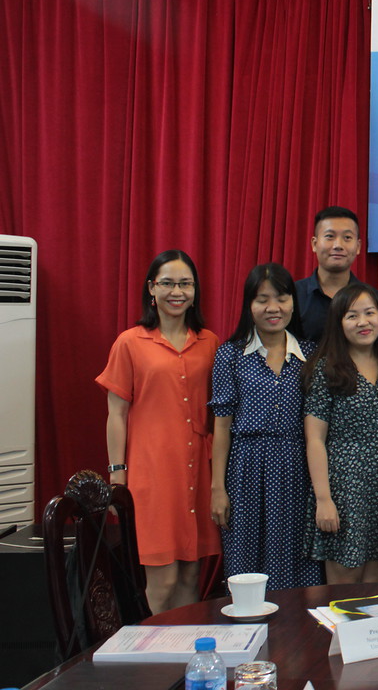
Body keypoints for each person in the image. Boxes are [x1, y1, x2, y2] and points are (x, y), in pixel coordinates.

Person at [96, 249, 219, 613]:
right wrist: (117, 473)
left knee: (191, 575)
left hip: (199, 473)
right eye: (167, 283)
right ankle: (152, 647)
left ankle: (185, 646)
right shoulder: (130, 342)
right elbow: (116, 414)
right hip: (152, 475)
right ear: (151, 288)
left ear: (195, 291)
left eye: (185, 284)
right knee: (162, 580)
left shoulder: (210, 342)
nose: (176, 292)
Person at [209, 263, 322, 591]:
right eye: (262, 299)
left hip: (296, 467)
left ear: (293, 303)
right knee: (244, 558)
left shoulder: (311, 355)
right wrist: (218, 488)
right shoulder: (230, 355)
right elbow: (222, 427)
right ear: (249, 305)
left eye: (282, 298)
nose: (273, 308)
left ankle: (294, 623)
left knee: (294, 558)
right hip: (245, 468)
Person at [303, 284, 378, 584]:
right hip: (343, 488)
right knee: (343, 588)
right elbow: (315, 440)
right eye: (352, 316)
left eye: (370, 313)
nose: (363, 322)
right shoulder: (326, 370)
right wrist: (324, 499)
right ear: (339, 323)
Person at [294, 206, 368, 343]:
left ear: (358, 247)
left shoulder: (373, 299)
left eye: (347, 237)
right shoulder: (292, 296)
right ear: (314, 244)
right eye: (329, 236)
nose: (338, 245)